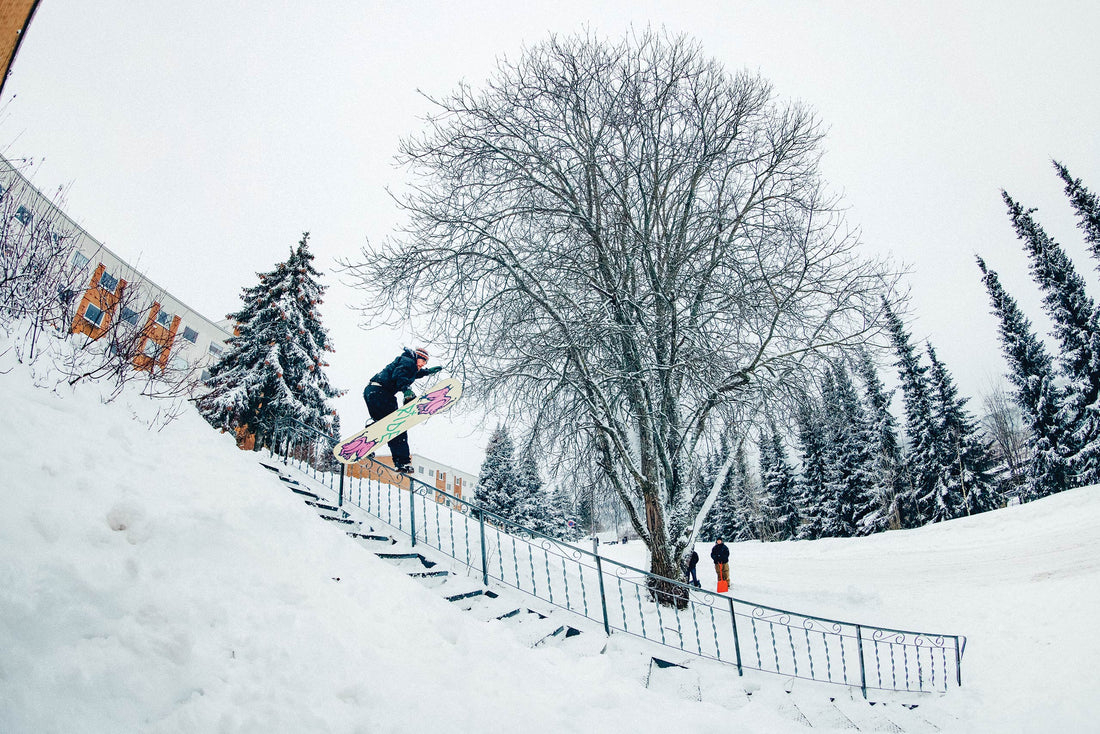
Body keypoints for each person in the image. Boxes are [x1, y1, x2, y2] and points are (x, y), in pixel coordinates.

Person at [363, 346, 441, 473]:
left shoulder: (407, 363)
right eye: (422, 361)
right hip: (382, 393)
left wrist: (427, 372)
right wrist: (406, 390)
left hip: (371, 392)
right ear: (417, 358)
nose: (422, 364)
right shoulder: (408, 361)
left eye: (425, 363)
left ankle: (366, 445)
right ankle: (402, 461)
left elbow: (411, 373)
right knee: (396, 426)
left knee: (381, 425)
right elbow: (400, 375)